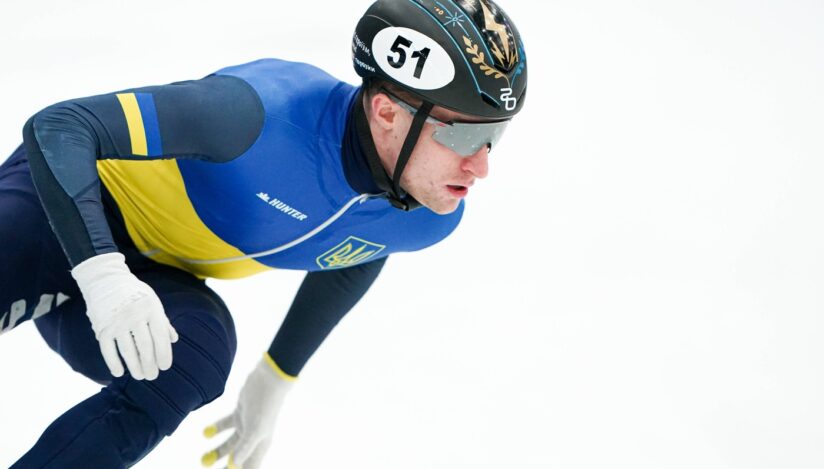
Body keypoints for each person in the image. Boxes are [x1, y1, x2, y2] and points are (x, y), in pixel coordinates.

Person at [0, 0, 527, 466]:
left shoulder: (428, 212)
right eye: (465, 135)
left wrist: (277, 375)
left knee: (196, 355)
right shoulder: (257, 114)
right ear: (387, 112)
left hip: (148, 286)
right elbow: (62, 127)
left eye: (494, 135)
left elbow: (364, 245)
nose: (481, 166)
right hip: (60, 211)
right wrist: (103, 275)